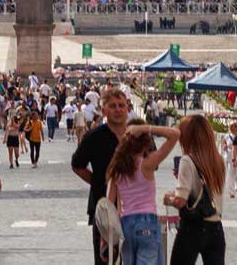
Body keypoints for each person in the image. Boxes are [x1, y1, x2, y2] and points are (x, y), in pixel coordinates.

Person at [71, 88, 133, 265]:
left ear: (127, 108)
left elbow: (153, 165)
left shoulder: (138, 135)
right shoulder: (93, 137)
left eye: (121, 105)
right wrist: (98, 182)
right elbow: (77, 165)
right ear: (104, 110)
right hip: (104, 210)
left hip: (135, 208)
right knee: (106, 260)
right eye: (112, 106)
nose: (118, 109)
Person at [105, 124, 178, 265]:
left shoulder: (116, 169)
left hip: (125, 224)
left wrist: (106, 238)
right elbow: (175, 134)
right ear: (145, 145)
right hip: (147, 221)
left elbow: (109, 206)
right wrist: (146, 128)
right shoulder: (147, 164)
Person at [164, 115, 223, 265]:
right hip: (216, 227)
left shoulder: (187, 160)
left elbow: (180, 201)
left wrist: (169, 198)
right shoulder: (218, 160)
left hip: (193, 228)